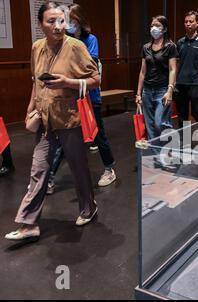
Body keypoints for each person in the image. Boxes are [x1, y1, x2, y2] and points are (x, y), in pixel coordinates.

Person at [5, 2, 100, 241]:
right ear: (41, 25)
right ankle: (29, 224)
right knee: (38, 170)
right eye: (51, 21)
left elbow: (95, 79)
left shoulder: (76, 46)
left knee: (79, 169)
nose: (58, 26)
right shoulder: (37, 47)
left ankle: (89, 208)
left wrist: (68, 82)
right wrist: (30, 110)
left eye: (61, 21)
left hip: (70, 121)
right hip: (46, 121)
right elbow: (35, 83)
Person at [46, 3, 117, 194]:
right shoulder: (63, 41)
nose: (66, 24)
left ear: (79, 20)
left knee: (97, 133)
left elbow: (89, 66)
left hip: (89, 95)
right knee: (63, 137)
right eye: (64, 20)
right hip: (69, 97)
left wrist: (69, 72)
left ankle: (109, 168)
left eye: (69, 20)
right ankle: (50, 176)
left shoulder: (90, 39)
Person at [136, 15, 178, 142]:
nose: (154, 28)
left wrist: (170, 90)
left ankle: (166, 149)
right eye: (152, 25)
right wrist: (138, 93)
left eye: (157, 25)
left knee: (160, 123)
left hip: (162, 90)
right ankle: (157, 158)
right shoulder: (146, 47)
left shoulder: (170, 46)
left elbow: (173, 69)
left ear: (164, 29)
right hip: (147, 91)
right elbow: (142, 71)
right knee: (150, 127)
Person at [175, 11, 198, 129]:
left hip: (196, 83)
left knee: (196, 113)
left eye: (191, 21)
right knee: (182, 115)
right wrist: (174, 80)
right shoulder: (180, 42)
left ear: (197, 23)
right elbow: (177, 62)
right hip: (180, 83)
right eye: (186, 22)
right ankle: (185, 142)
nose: (188, 24)